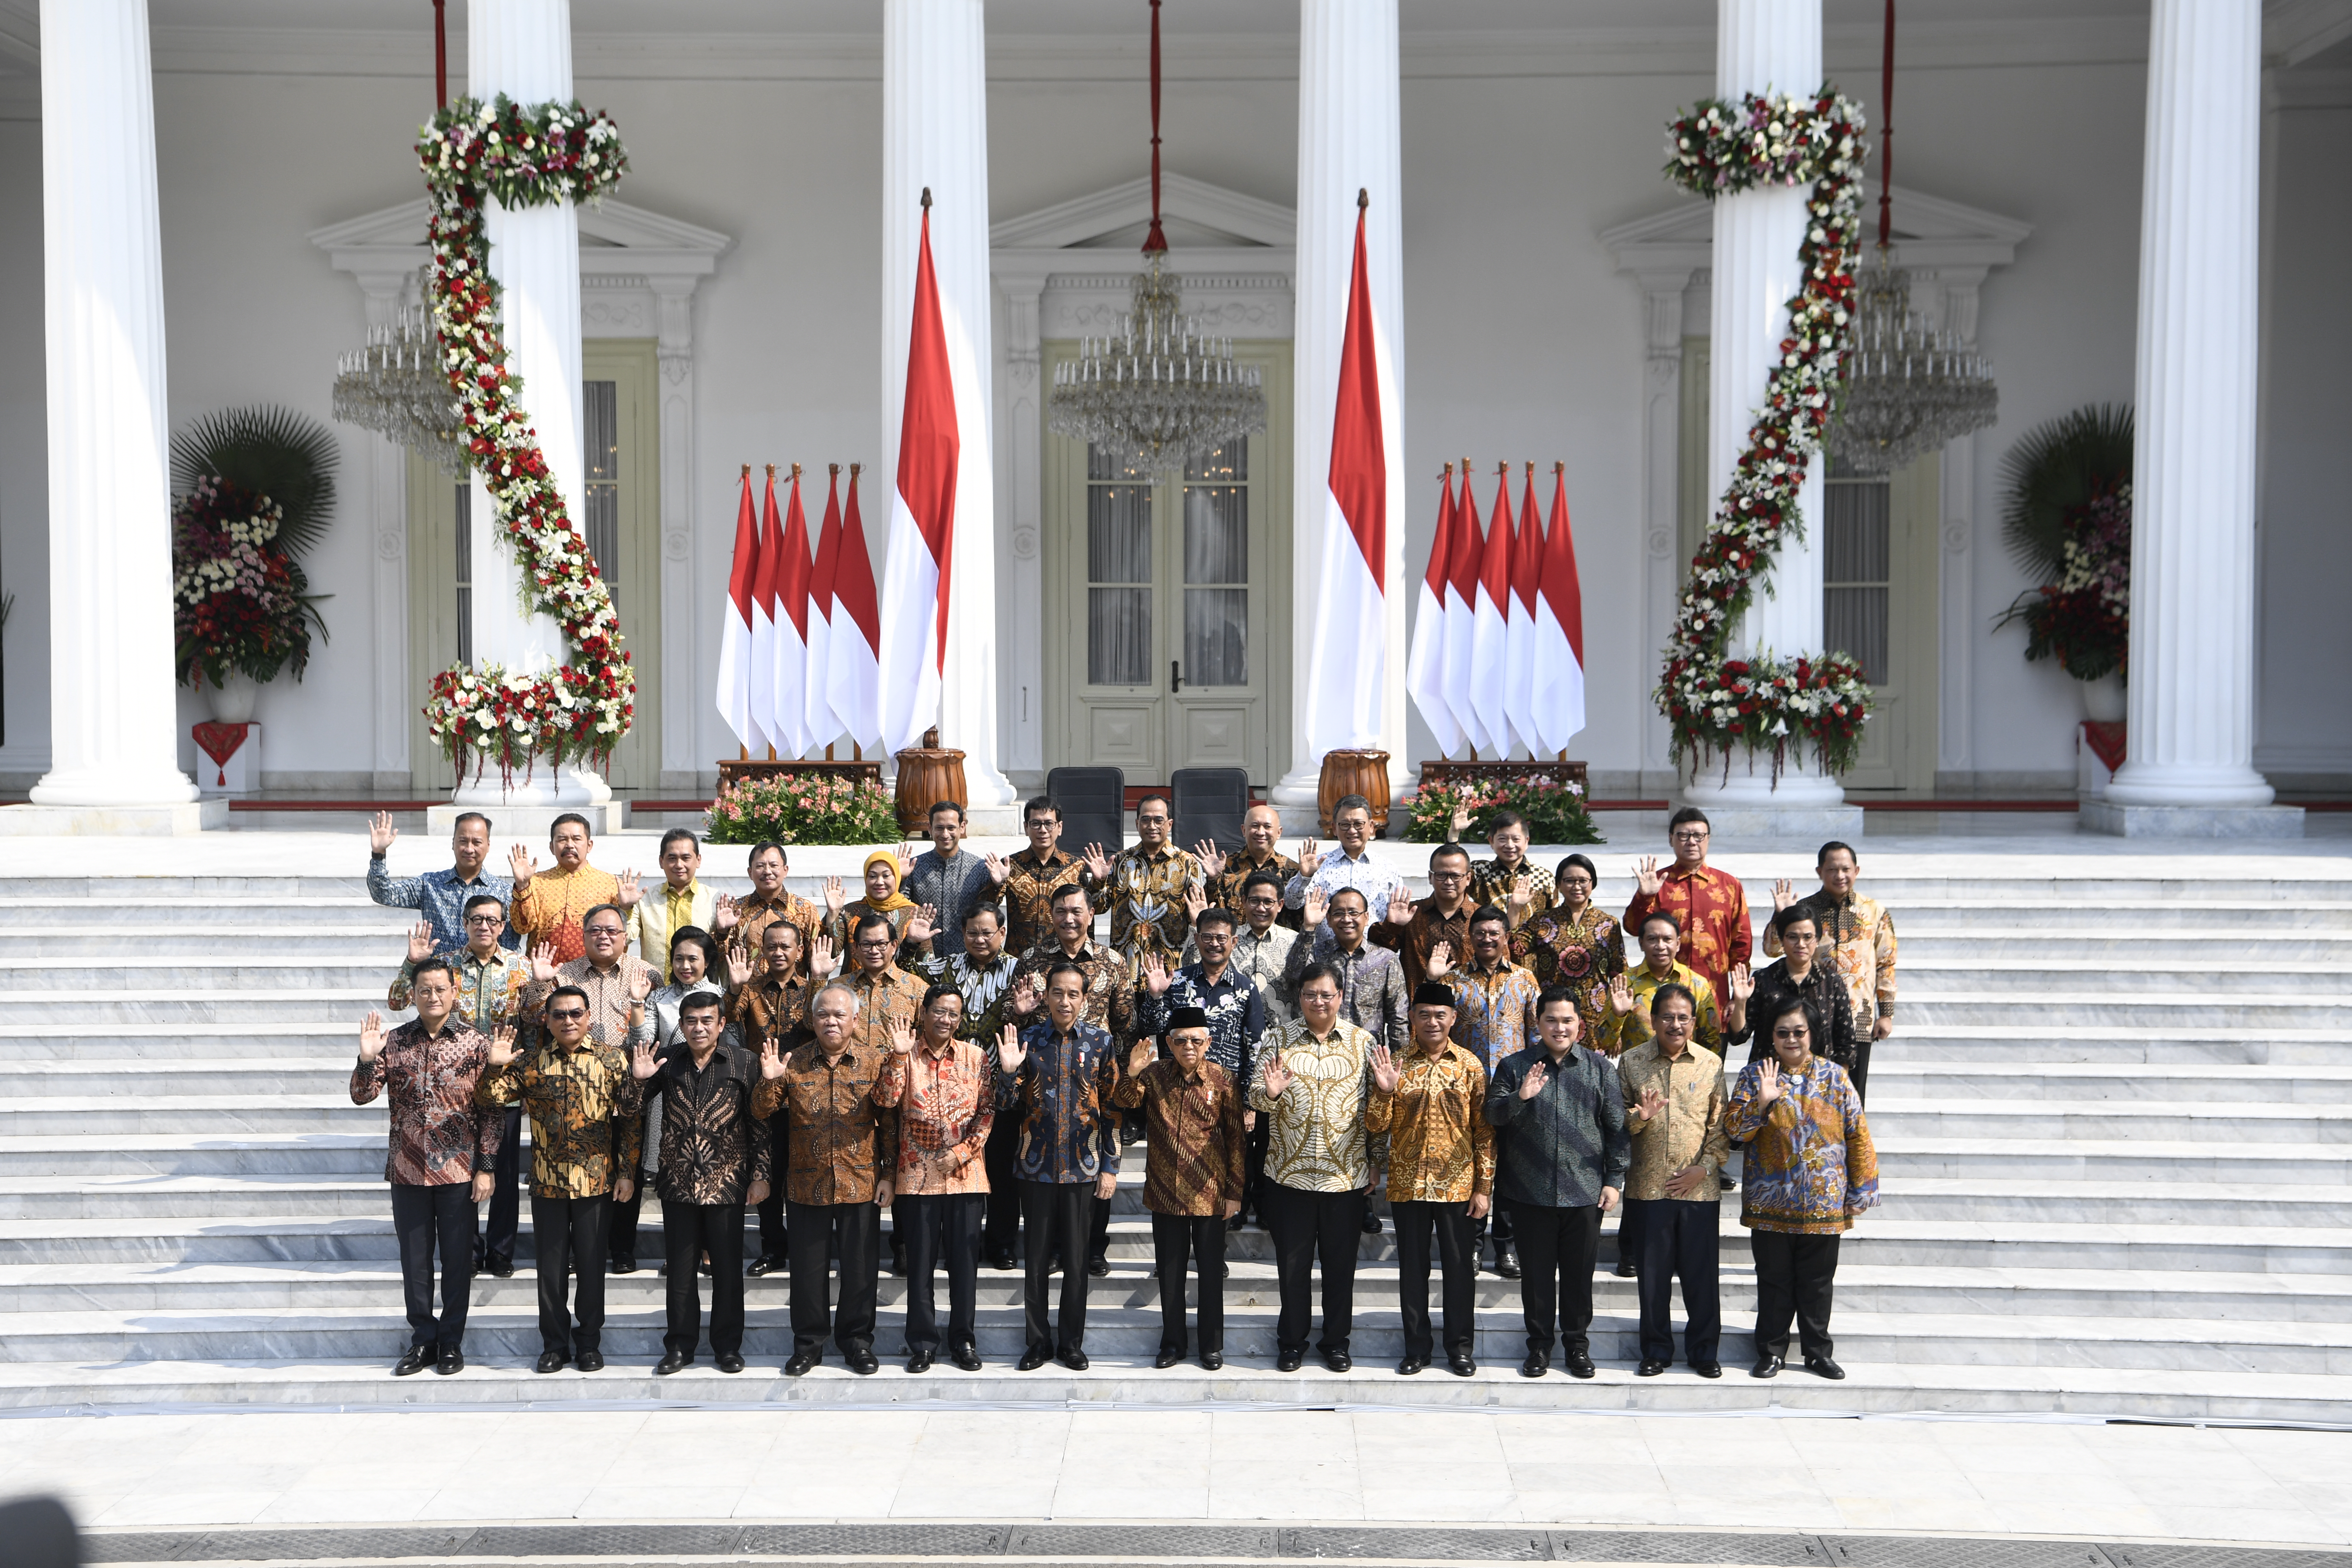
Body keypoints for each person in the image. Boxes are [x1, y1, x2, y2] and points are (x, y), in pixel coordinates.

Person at [475, 983, 647, 1375]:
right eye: (559, 1014)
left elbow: (630, 1121)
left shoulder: (611, 1060)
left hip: (596, 1182)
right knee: (550, 1272)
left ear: (589, 1017)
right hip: (548, 1182)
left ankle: (589, 1343)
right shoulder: (532, 1063)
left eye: (575, 1013)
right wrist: (494, 1066)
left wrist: (627, 1172)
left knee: (591, 1267)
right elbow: (488, 1099)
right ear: (547, 1020)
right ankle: (554, 1345)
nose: (568, 1020)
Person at [349, 961, 501, 1377]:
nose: (433, 997)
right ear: (413, 995)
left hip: (458, 1171)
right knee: (414, 1262)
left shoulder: (476, 1043)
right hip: (408, 1170)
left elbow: (491, 1111)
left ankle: (451, 1342)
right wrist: (366, 1059)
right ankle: (423, 1340)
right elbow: (362, 1095)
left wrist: (487, 1167)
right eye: (425, 990)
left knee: (457, 1261)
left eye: (440, 989)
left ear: (454, 992)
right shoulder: (394, 1041)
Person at [1726, 995, 1878, 1381]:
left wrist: (1861, 1189)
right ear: (1772, 1037)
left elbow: (1858, 1133)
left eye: (1799, 1032)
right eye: (1783, 1033)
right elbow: (1734, 1132)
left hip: (1824, 1202)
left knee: (1818, 1284)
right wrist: (1761, 1103)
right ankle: (1771, 1351)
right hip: (1771, 1202)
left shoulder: (1835, 1076)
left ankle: (1817, 1353)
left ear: (1812, 1033)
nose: (1791, 1040)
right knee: (1773, 1281)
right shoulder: (1754, 1076)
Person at [385, 892, 531, 1279]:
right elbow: (397, 1002)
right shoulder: (445, 968)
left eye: (493, 920)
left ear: (503, 926)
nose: (485, 926)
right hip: (451, 1090)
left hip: (501, 1084)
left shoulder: (521, 968)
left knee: (501, 1173)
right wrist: (412, 962)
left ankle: (500, 1250)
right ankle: (468, 1249)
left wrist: (526, 1083)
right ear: (465, 923)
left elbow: (534, 1026)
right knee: (461, 1177)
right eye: (477, 919)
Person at [754, 980, 895, 1377]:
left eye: (839, 1015)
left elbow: (889, 1123)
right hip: (806, 1184)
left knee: (860, 1271)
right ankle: (808, 1345)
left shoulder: (875, 1061)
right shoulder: (793, 1061)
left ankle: (857, 1343)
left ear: (855, 1019)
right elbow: (761, 1111)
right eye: (823, 1015)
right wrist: (770, 1079)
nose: (831, 1022)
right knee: (807, 1272)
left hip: (861, 1183)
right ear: (812, 1020)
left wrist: (888, 1174)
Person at [1486, 986, 1628, 1380]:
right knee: (1536, 1278)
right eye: (1551, 1020)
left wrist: (1614, 1179)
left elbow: (1617, 1129)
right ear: (1538, 1023)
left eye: (1567, 1020)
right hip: (1529, 1192)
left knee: (1579, 1277)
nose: (1560, 1028)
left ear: (1580, 1024)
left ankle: (1577, 1346)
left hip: (1584, 1192)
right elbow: (1492, 1116)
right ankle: (1539, 1347)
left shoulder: (1600, 1069)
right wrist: (1521, 1097)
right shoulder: (1515, 1067)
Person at [627, 990, 768, 1375]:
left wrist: (761, 1175)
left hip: (728, 1182)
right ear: (682, 1025)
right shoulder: (667, 1060)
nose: (699, 1028)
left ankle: (728, 1347)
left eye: (707, 1021)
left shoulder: (744, 1062)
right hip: (678, 1182)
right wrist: (637, 1081)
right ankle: (679, 1347)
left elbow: (759, 1123)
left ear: (721, 1024)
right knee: (681, 1271)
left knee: (727, 1270)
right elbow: (628, 1109)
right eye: (691, 1021)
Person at [1249, 962, 1380, 1373]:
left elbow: (1376, 1109)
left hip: (1346, 1176)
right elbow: (1255, 1096)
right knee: (1293, 1268)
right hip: (1289, 1175)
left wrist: (1376, 1160)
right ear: (1299, 996)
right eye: (1310, 994)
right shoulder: (1278, 1039)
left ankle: (1336, 1342)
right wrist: (1270, 1094)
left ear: (1340, 996)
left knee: (1341, 1268)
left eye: (1326, 994)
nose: (1318, 1001)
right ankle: (1292, 1342)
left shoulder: (1363, 1043)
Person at [995, 961, 1123, 1371]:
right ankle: (1037, 1342)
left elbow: (1112, 1108)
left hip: (1083, 1168)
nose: (1065, 1001)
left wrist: (1110, 1166)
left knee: (1077, 1262)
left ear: (1084, 999)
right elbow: (1005, 1104)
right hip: (1036, 1167)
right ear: (1046, 996)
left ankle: (1071, 1343)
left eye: (1073, 994)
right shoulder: (1028, 1040)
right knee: (1035, 1261)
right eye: (1057, 993)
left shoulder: (1101, 1042)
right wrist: (1008, 1073)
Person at [1009, 881, 1137, 1275]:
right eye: (1061, 911)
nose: (1069, 918)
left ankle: (1093, 1249)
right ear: (1051, 915)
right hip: (1044, 1075)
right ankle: (1050, 1250)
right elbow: (1014, 1017)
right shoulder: (1031, 960)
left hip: (1094, 1074)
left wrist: (1122, 1077)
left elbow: (1125, 1022)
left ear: (1091, 914)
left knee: (1094, 1166)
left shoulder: (1112, 962)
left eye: (1077, 911)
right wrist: (1018, 1014)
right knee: (1048, 1171)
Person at [1367, 982, 1494, 1377]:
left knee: (1459, 1270)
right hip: (1408, 1184)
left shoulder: (1470, 1065)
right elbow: (1376, 1125)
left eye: (1441, 1015)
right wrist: (1385, 1092)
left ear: (1453, 1018)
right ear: (1412, 1018)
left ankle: (1460, 1349)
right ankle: (1417, 1349)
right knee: (1412, 1271)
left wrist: (1484, 1188)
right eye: (1424, 1014)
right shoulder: (1397, 1063)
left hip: (1458, 1185)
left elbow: (1484, 1132)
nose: (1432, 1022)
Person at [1113, 1005, 1244, 1370]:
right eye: (1181, 1040)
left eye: (1196, 1041)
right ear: (1169, 1043)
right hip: (1165, 1190)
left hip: (1210, 1192)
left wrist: (1235, 1192)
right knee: (1170, 1273)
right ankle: (1173, 1344)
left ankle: (1211, 1346)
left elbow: (1236, 1140)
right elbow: (1124, 1101)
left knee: (1211, 1272)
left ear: (1209, 1042)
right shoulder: (1154, 1075)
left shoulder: (1223, 1079)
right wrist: (1132, 1073)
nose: (1189, 1047)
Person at [874, 985, 996, 1373]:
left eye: (953, 1014)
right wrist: (897, 1056)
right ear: (924, 1013)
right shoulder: (904, 1054)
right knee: (920, 1266)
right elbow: (885, 1101)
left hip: (966, 1178)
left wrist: (962, 1153)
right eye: (939, 1012)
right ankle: (923, 1343)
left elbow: (987, 1111)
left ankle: (963, 1340)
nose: (946, 1020)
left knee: (964, 1266)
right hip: (916, 1180)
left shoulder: (976, 1057)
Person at [1617, 983, 1729, 1378]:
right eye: (1668, 1016)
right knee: (1653, 1280)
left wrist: (1705, 1169)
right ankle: (1656, 1351)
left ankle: (1704, 1352)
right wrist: (1640, 1117)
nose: (1675, 1024)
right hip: (1649, 1189)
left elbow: (1720, 1127)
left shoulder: (1711, 1064)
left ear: (1694, 1023)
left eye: (1683, 1018)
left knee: (1702, 1278)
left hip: (1699, 1191)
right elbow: (1615, 1122)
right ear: (1653, 1020)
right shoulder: (1632, 1062)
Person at [1424, 904, 1540, 1279]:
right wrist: (1432, 980)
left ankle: (1507, 1248)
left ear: (1506, 937)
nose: (1487, 939)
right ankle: (1470, 1247)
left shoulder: (1525, 980)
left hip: (1513, 1093)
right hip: (1464, 1091)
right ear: (1469, 938)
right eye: (1480, 933)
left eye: (1494, 933)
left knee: (1508, 1171)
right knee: (1468, 1167)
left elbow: (1536, 1036)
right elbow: (1431, 1026)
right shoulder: (1454, 981)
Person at [1188, 872, 1296, 1230]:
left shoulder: (1292, 942)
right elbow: (1196, 962)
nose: (1261, 907)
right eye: (1254, 900)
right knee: (1230, 1145)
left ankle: (1263, 1205)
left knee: (1265, 1140)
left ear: (1280, 905)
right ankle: (1236, 1204)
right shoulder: (1228, 938)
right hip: (1220, 1065)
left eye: (1269, 901)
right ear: (1243, 903)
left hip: (1276, 1055)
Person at [728, 918, 834, 1279]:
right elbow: (729, 1018)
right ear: (763, 950)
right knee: (767, 1174)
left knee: (806, 1174)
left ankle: (807, 1250)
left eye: (785, 946)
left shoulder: (813, 987)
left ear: (799, 951)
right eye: (771, 946)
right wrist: (734, 987)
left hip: (806, 1095)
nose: (778, 952)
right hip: (764, 1095)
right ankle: (773, 1248)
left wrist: (818, 979)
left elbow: (814, 1024)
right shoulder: (751, 988)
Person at [634, 926, 735, 1274]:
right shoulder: (659, 997)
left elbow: (732, 1045)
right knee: (676, 1176)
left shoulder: (721, 994)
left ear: (708, 961)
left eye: (693, 959)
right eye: (679, 959)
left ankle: (707, 1251)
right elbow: (645, 1039)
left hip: (713, 1095)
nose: (685, 966)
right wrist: (638, 1003)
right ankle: (680, 1251)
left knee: (710, 1172)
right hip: (671, 1095)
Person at [1765, 841, 1896, 1101]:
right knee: (1803, 1095)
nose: (1840, 875)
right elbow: (1772, 949)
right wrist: (1780, 914)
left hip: (1858, 1017)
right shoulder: (1805, 910)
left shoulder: (1874, 911)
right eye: (1832, 869)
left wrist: (1887, 1014)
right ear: (1819, 872)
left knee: (1852, 1096)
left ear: (1857, 871)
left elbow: (1886, 963)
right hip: (1811, 1018)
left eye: (1846, 869)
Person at [1622, 808, 1750, 1002]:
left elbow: (1742, 944)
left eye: (1699, 836)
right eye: (1683, 835)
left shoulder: (1729, 886)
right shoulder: (1658, 883)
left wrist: (1737, 997)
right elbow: (1633, 928)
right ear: (1671, 839)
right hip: (1664, 994)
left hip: (1714, 992)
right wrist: (1644, 897)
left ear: (1708, 839)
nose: (1691, 842)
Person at [1732, 906, 1859, 1081]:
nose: (1801, 944)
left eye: (1808, 937)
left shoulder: (1832, 982)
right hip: (1768, 1078)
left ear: (1818, 939)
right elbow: (1738, 1036)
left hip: (1820, 1081)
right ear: (1782, 940)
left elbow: (1846, 1042)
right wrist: (1740, 1002)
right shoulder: (1763, 979)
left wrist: (1838, 1084)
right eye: (1793, 937)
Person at [366, 809, 516, 955]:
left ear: (488, 845)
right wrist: (379, 854)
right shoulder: (429, 884)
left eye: (477, 842)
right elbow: (383, 894)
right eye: (463, 841)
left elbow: (510, 946)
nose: (469, 849)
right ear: (453, 843)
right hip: (440, 971)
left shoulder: (503, 892)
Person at [1512, 853, 1626, 1040]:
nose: (1577, 886)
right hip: (1553, 1016)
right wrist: (1515, 909)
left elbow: (1619, 974)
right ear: (1559, 884)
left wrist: (1617, 1025)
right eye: (1570, 881)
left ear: (1593, 884)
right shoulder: (1543, 920)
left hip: (1595, 1016)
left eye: (1583, 881)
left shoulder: (1608, 924)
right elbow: (1514, 949)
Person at [1082, 793, 1205, 964]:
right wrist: (1098, 882)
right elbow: (1098, 908)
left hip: (1172, 965)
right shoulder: (1120, 861)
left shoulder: (1188, 864)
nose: (1152, 826)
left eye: (1159, 820)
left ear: (1170, 824)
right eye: (1146, 820)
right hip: (1128, 965)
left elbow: (1201, 915)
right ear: (1137, 824)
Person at [511, 814, 635, 966]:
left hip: (591, 972)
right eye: (562, 840)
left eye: (576, 839)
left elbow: (621, 939)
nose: (570, 845)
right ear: (552, 847)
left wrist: (626, 908)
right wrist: (522, 886)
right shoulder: (536, 882)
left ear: (589, 845)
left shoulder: (611, 885)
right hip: (543, 971)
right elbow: (522, 928)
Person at [1601, 910, 1727, 1057]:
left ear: (1678, 944)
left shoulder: (1697, 984)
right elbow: (1604, 1042)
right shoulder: (1625, 984)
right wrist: (1618, 1015)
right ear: (1641, 944)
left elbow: (1712, 1040)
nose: (1660, 946)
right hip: (1638, 1070)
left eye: (1667, 939)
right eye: (1652, 939)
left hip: (1685, 1069)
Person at [899, 902, 1023, 1045]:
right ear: (964, 933)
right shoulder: (949, 965)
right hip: (954, 1057)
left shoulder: (1018, 970)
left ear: (1002, 933)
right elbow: (903, 974)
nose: (979, 940)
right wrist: (911, 942)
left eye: (987, 933)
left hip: (1001, 1057)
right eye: (973, 933)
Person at [1282, 794, 1407, 926]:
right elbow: (1291, 904)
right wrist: (1304, 877)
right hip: (1328, 940)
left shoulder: (1386, 868)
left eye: (1358, 824)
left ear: (1371, 826)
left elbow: (1399, 913)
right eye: (1345, 825)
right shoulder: (1319, 865)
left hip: (1374, 940)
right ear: (1335, 828)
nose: (1352, 831)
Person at [717, 841, 831, 978]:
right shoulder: (736, 910)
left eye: (774, 865)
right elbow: (719, 960)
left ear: (785, 871)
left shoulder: (805, 909)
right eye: (760, 866)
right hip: (746, 990)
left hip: (793, 990)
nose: (767, 872)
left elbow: (815, 961)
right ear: (750, 872)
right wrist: (722, 932)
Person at [904, 801, 1000, 959]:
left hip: (968, 959)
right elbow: (900, 906)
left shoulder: (979, 868)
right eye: (939, 828)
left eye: (951, 828)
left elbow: (990, 911)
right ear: (930, 828)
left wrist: (998, 884)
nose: (945, 834)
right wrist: (899, 879)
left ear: (962, 827)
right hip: (924, 957)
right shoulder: (914, 867)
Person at [1373, 842, 1473, 992]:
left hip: (1467, 1002)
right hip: (1417, 1001)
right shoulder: (1411, 913)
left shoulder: (1480, 918)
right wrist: (1393, 926)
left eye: (1456, 876)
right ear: (1430, 877)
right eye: (1441, 875)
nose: (1449, 882)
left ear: (1468, 878)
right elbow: (1378, 956)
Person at [997, 795, 1086, 957]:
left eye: (1049, 824)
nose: (1043, 830)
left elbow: (1090, 912)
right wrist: (996, 884)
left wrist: (1100, 882)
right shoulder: (1010, 866)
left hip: (1063, 959)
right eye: (1036, 824)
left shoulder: (1075, 867)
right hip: (1020, 959)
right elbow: (987, 908)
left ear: (1060, 827)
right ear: (1026, 827)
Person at [626, 828, 720, 980]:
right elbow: (626, 938)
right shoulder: (645, 899)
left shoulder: (714, 900)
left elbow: (723, 953)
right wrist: (625, 909)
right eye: (672, 858)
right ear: (661, 861)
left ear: (698, 860)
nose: (679, 865)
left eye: (686, 858)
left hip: (701, 992)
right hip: (656, 989)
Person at [1197, 802, 1302, 931]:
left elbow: (1298, 917)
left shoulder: (1293, 871)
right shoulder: (1226, 867)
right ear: (1244, 830)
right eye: (1255, 826)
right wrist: (1213, 879)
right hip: (1235, 940)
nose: (1261, 832)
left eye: (1267, 827)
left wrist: (1306, 877)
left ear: (1279, 832)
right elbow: (1214, 913)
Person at [1465, 809, 1554, 928]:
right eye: (1502, 839)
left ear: (1526, 841)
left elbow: (1554, 919)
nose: (1510, 845)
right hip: (1487, 939)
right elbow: (1451, 873)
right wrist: (1454, 835)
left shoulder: (1544, 877)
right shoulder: (1479, 872)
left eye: (1516, 839)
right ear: (1491, 841)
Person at [836, 849, 924, 949]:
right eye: (873, 876)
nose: (879, 882)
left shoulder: (915, 914)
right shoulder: (849, 912)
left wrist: (912, 942)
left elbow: (926, 957)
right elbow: (832, 951)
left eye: (886, 876)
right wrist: (832, 913)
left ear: (897, 877)